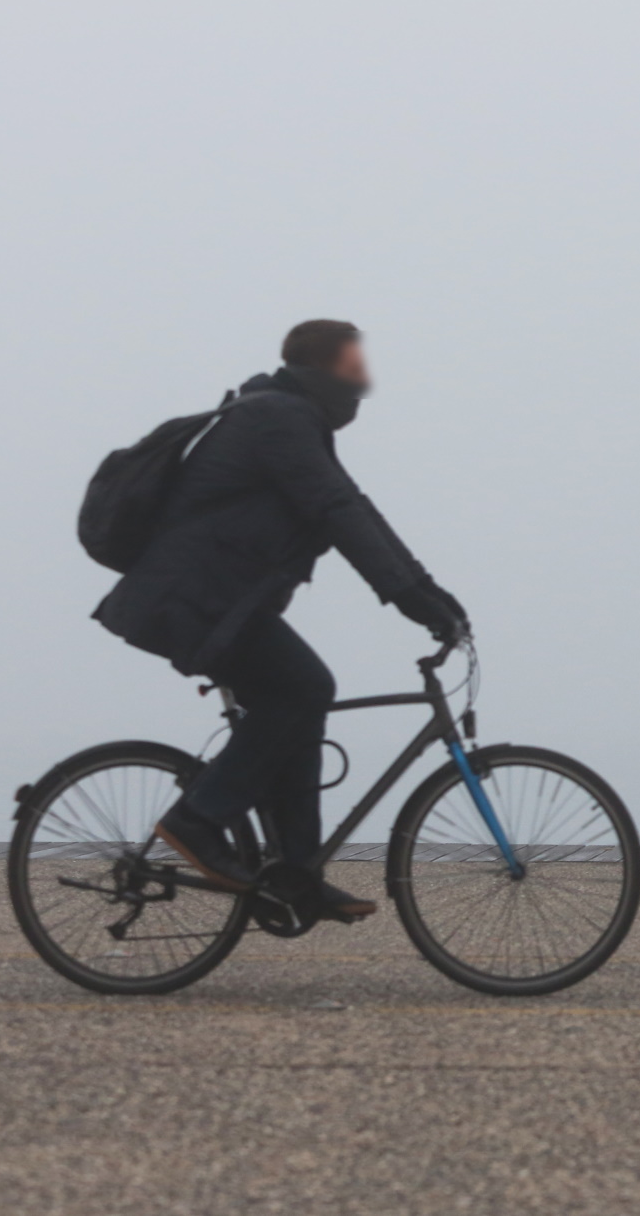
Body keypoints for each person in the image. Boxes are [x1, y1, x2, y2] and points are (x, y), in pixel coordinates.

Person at [93, 319, 468, 918]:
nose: (366, 376)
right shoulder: (278, 419)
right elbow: (339, 511)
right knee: (305, 688)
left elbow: (356, 511)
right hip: (192, 600)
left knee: (299, 702)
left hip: (216, 601)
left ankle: (297, 874)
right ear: (324, 369)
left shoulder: (292, 419)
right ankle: (197, 821)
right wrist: (421, 604)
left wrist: (428, 593)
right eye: (355, 364)